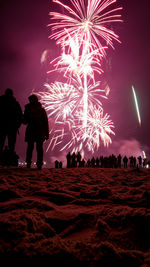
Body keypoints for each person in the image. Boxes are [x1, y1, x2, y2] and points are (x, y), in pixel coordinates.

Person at [23, 94, 49, 170]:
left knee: (30, 148)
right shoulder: (41, 110)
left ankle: (29, 163)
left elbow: (24, 121)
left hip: (32, 130)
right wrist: (46, 134)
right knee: (38, 148)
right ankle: (39, 165)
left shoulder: (27, 109)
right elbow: (45, 123)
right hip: (39, 131)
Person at [0, 88, 22, 162]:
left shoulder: (1, 101)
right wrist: (17, 125)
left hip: (2, 126)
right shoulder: (15, 103)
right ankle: (10, 159)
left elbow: (20, 115)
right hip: (12, 127)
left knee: (1, 143)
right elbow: (20, 115)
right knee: (11, 144)